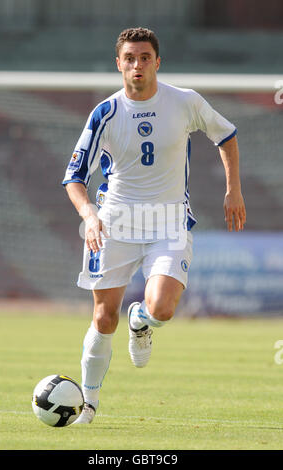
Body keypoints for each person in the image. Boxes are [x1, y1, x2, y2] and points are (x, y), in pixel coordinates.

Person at [62, 27, 246, 424]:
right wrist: (89, 215)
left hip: (168, 223)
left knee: (161, 308)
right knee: (102, 318)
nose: (137, 65)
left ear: (157, 62)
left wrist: (234, 190)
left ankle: (141, 320)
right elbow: (74, 177)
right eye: (130, 58)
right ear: (119, 64)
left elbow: (226, 135)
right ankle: (89, 406)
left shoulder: (184, 101)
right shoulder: (106, 113)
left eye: (145, 57)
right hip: (115, 224)